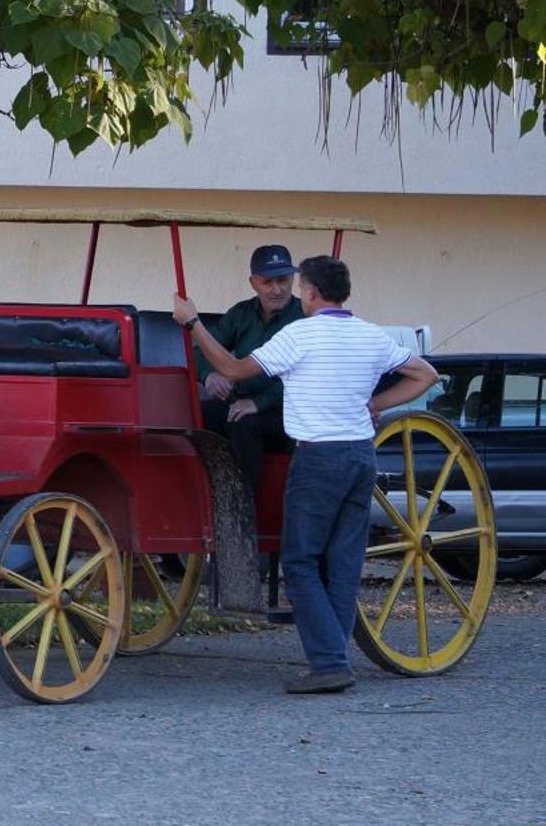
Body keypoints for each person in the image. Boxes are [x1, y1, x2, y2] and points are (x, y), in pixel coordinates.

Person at [174, 254, 438, 695]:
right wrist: (376, 406)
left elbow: (234, 370)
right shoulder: (370, 336)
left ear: (311, 292)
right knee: (342, 564)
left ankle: (331, 662)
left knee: (299, 562)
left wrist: (193, 324)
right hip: (359, 458)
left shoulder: (300, 334)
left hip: (318, 460)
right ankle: (335, 659)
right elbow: (425, 374)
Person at [198, 244, 304, 499]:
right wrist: (209, 375)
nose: (277, 289)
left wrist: (257, 403)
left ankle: (244, 506)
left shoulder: (305, 316)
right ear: (253, 282)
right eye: (268, 282)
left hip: (291, 413)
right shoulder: (241, 314)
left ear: (293, 280)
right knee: (197, 416)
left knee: (244, 424)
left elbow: (303, 374)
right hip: (241, 403)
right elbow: (202, 349)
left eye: (283, 280)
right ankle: (201, 496)